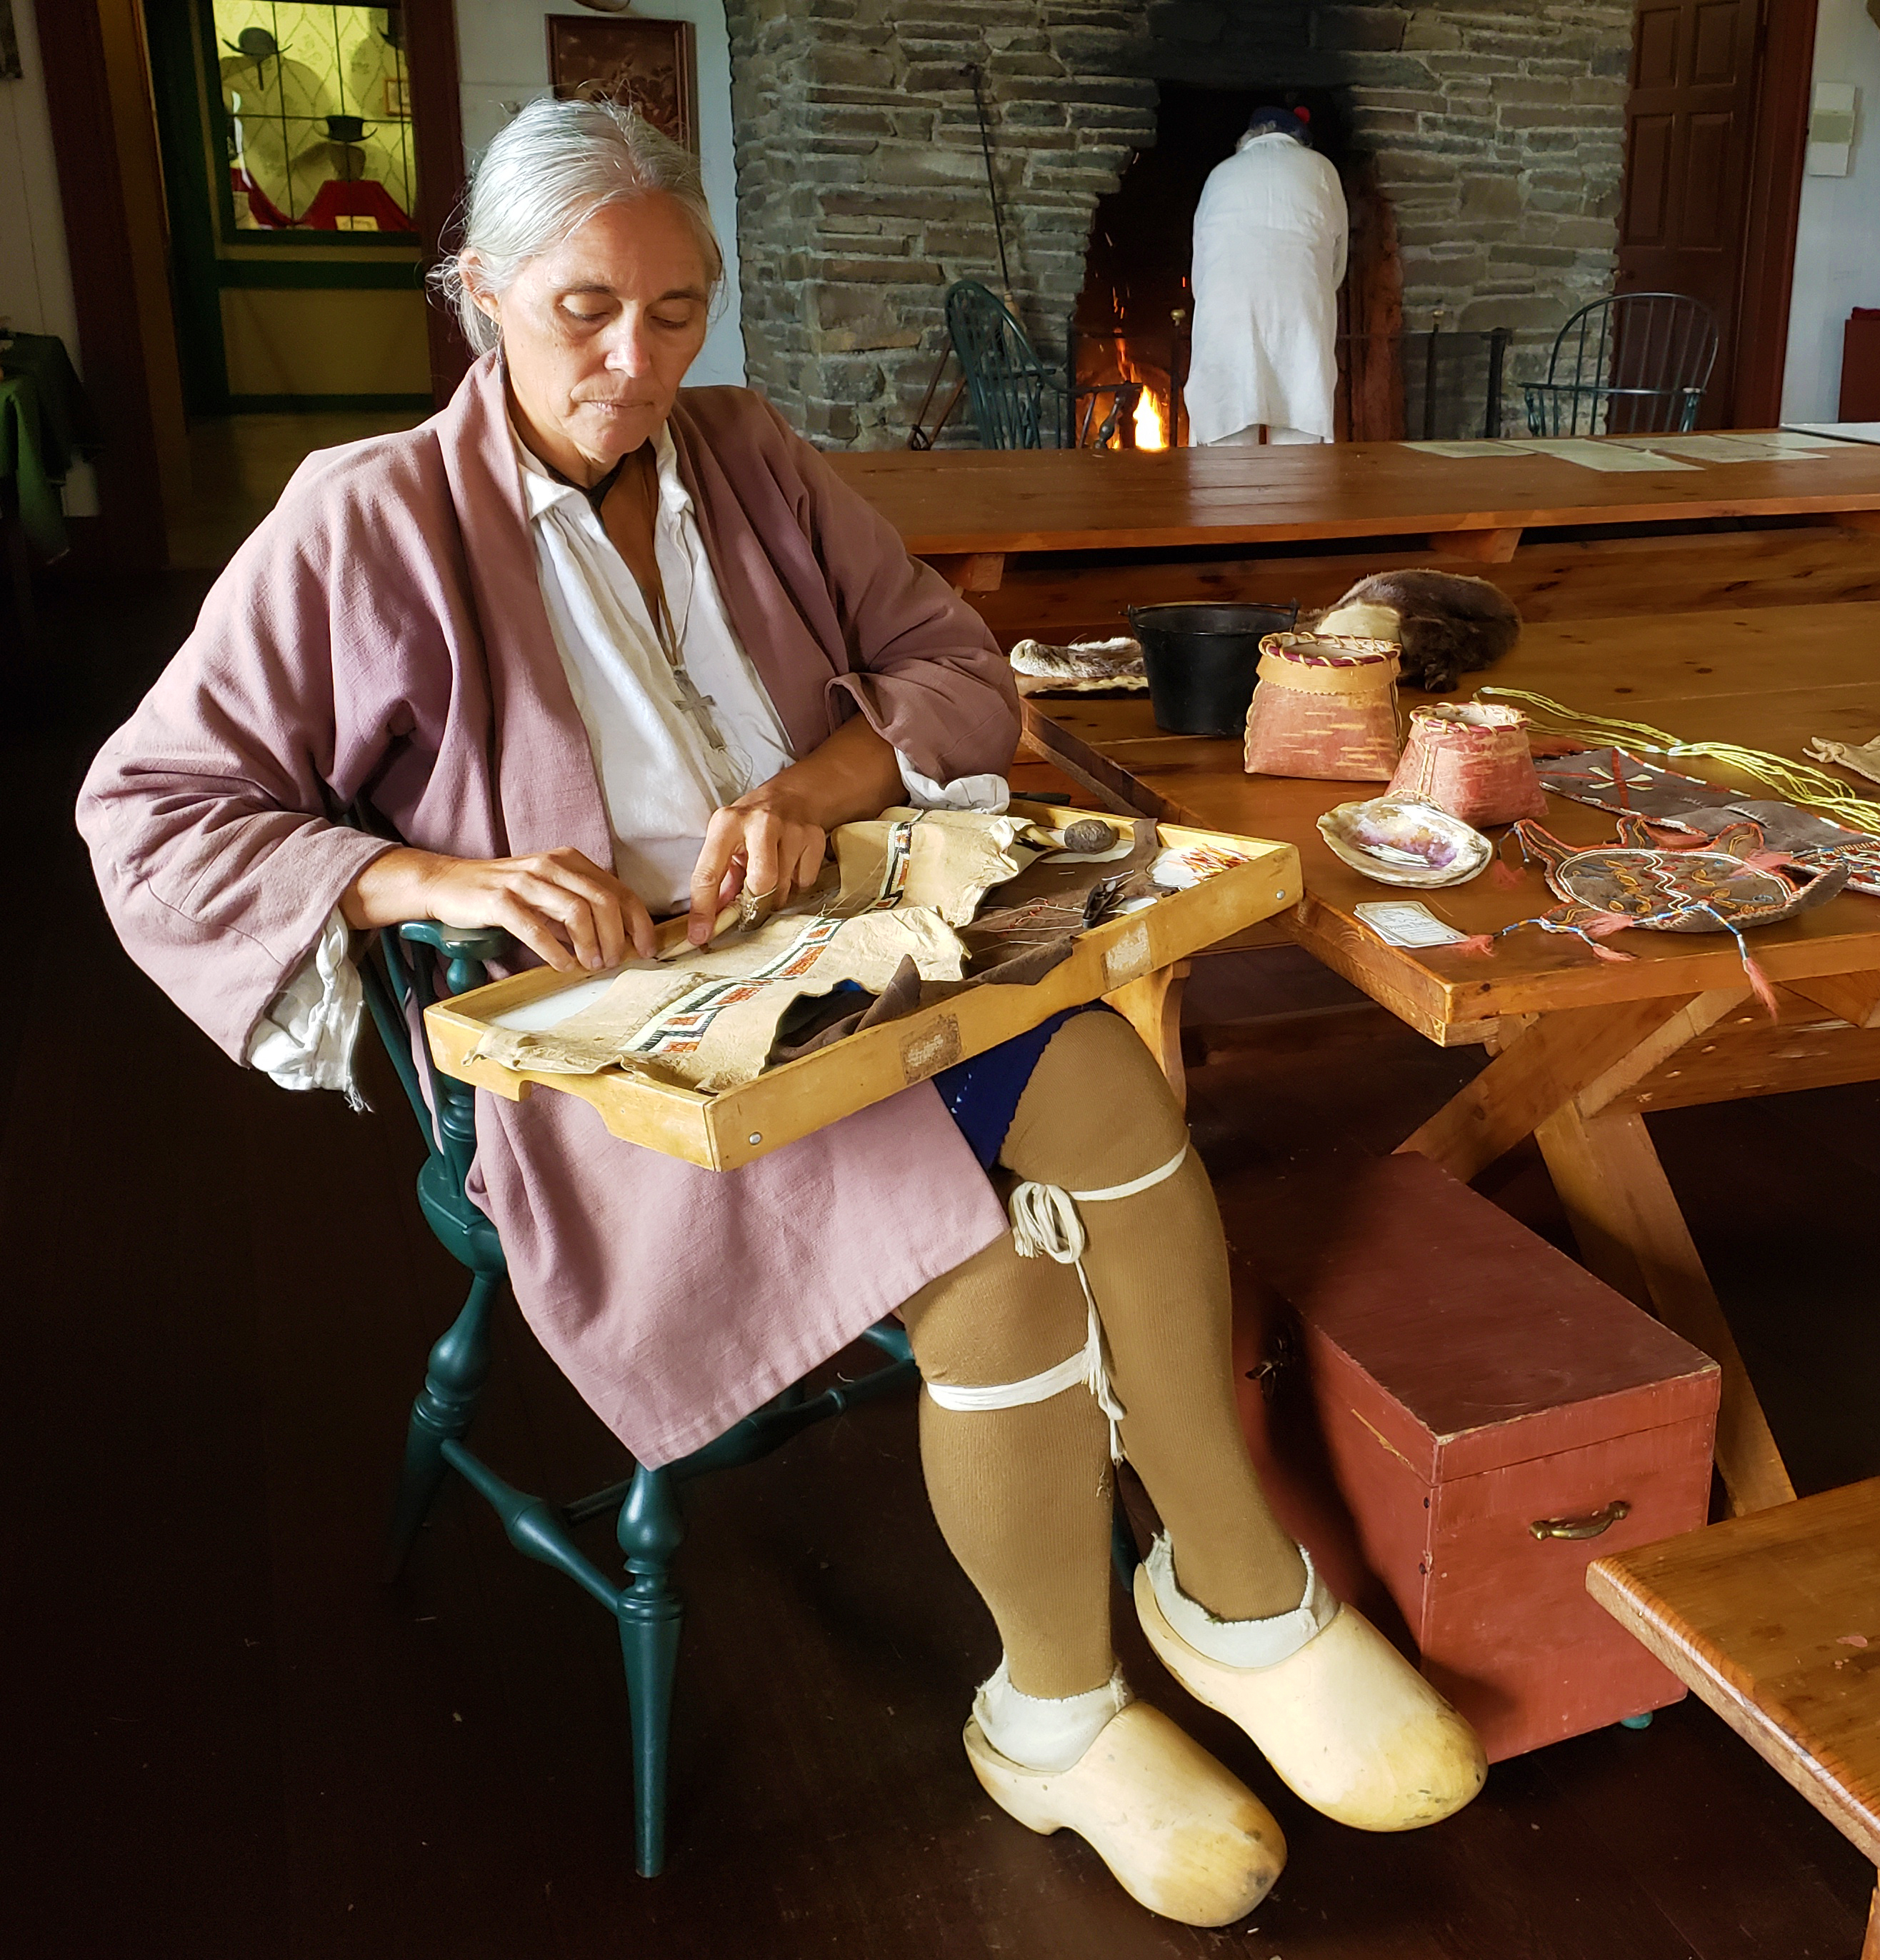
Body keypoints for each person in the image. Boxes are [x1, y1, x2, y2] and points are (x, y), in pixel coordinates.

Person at [76, 99, 1481, 1926]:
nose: (636, 360)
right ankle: (1051, 1716)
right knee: (994, 1271)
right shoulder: (367, 521)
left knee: (1125, 1114)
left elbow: (955, 674)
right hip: (628, 1058)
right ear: (482, 291)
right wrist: (444, 882)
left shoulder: (748, 451)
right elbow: (158, 810)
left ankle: (1231, 1598)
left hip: (851, 956)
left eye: (678, 311)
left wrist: (815, 795)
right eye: (584, 307)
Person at [1185, 105, 1349, 447]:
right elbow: (1337, 263)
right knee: (1300, 421)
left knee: (1225, 430)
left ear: (1248, 138)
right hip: (1300, 308)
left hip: (1225, 312)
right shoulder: (1321, 169)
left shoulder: (1219, 174)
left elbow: (1200, 269)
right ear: (1298, 140)